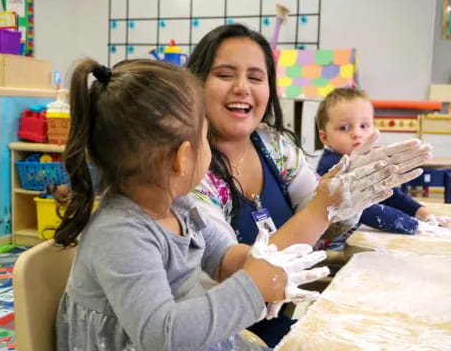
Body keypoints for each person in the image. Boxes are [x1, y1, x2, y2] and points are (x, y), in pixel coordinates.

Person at [54, 58, 335, 351]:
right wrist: (252, 288)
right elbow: (162, 335)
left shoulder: (179, 205)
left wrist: (263, 264)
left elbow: (222, 257)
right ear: (182, 157)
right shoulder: (120, 235)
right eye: (206, 137)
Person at [186, 23, 432, 346]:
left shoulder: (274, 147)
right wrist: (323, 207)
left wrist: (344, 205)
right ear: (196, 84)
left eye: (256, 78)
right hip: (222, 333)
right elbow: (231, 268)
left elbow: (323, 231)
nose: (243, 87)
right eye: (226, 74)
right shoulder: (186, 170)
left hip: (283, 320)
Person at [316, 87, 451, 248]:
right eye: (344, 128)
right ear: (325, 137)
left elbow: (390, 194)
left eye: (364, 125)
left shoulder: (367, 160)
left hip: (356, 238)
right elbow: (366, 209)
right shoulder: (332, 168)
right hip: (335, 248)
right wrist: (414, 226)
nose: (356, 133)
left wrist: (422, 212)